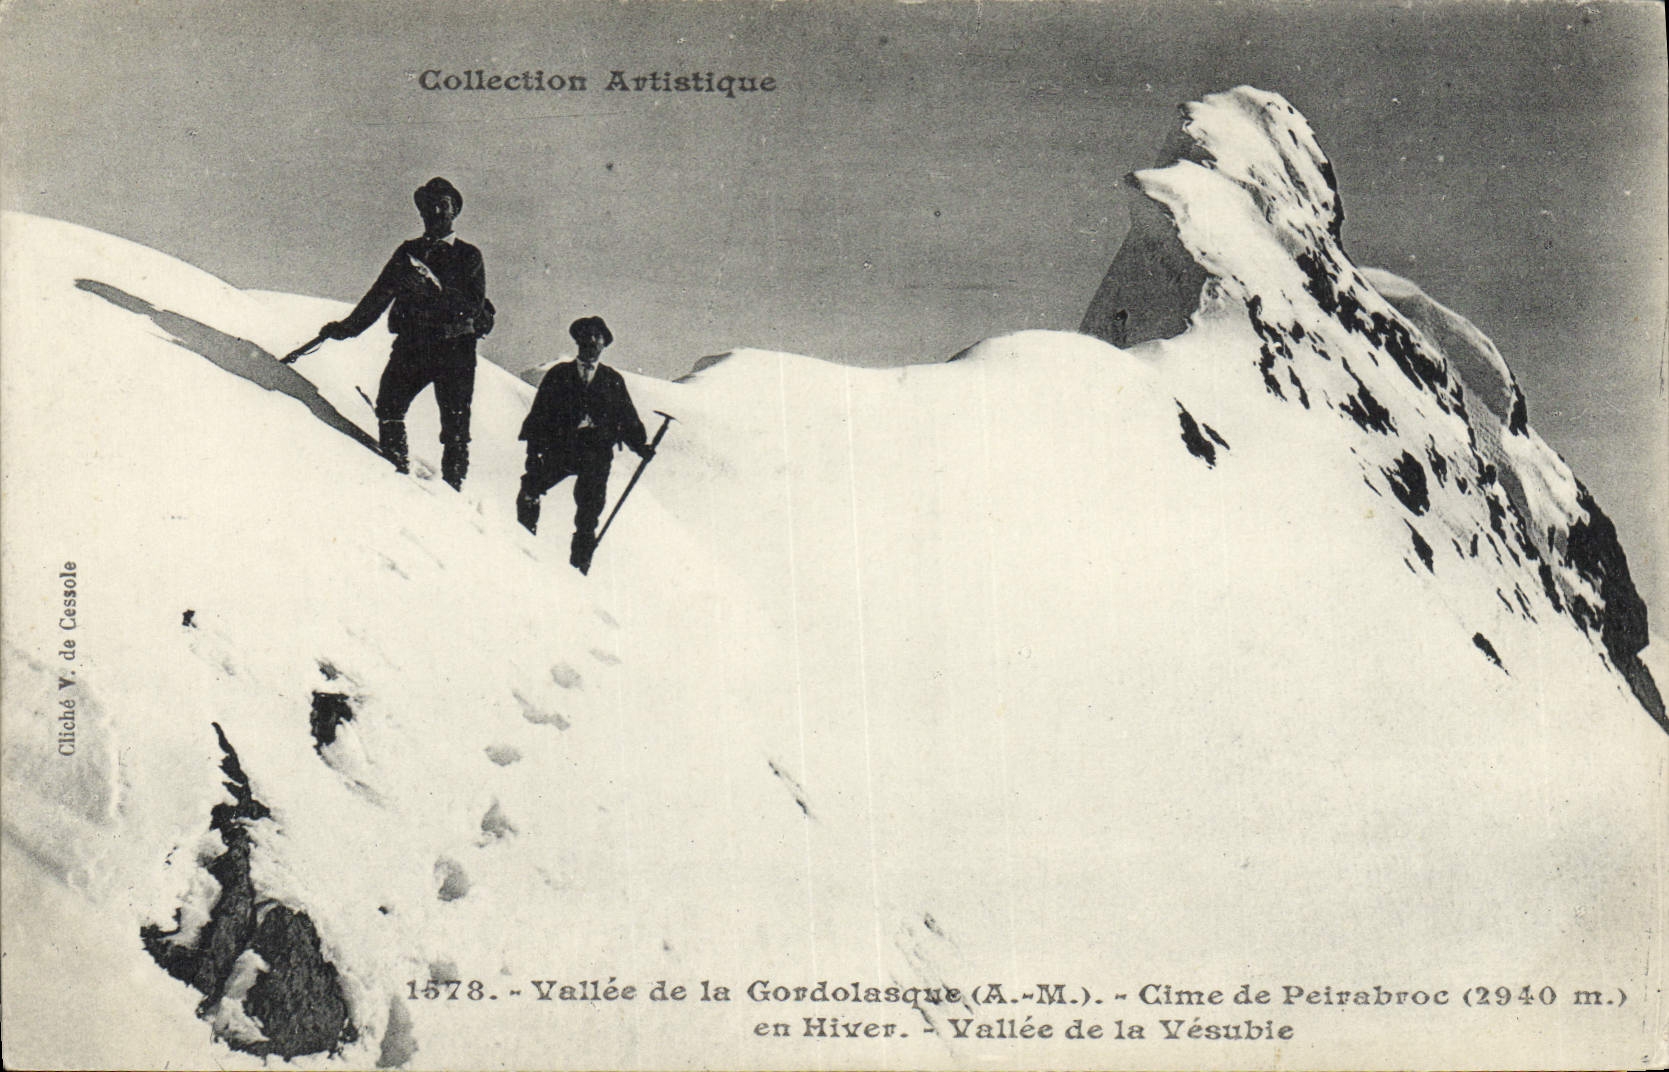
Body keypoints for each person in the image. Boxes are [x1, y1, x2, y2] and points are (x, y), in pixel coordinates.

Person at [313, 177, 491, 489]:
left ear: (455, 211)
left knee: (455, 424)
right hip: (413, 345)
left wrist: (431, 291)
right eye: (428, 205)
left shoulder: (469, 256)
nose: (435, 211)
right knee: (390, 405)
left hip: (455, 349)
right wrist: (347, 328)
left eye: (443, 205)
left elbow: (472, 306)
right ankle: (396, 474)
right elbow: (378, 296)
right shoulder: (407, 253)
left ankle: (453, 494)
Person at [517, 316, 653, 573]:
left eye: (597, 338)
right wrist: (533, 454)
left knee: (589, 515)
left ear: (604, 344)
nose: (591, 342)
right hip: (562, 449)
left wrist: (641, 446)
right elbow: (539, 416)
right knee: (530, 488)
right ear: (578, 341)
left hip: (597, 455)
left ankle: (578, 568)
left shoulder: (613, 380)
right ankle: (523, 546)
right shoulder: (558, 375)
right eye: (586, 336)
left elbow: (628, 418)